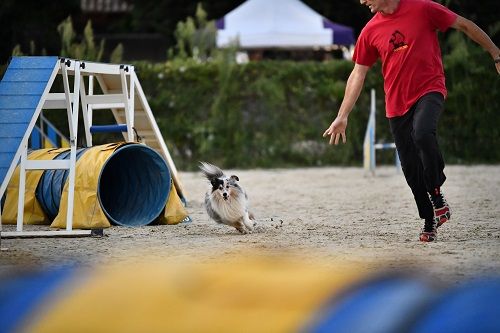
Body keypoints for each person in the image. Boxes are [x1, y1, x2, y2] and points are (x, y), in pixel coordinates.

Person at [323, 0, 500, 242]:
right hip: (396, 105)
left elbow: (465, 25)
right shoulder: (370, 30)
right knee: (410, 169)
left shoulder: (424, 8)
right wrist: (342, 115)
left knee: (423, 132)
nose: (363, 1)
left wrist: (496, 53)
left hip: (430, 88)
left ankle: (436, 193)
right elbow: (358, 72)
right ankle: (430, 221)